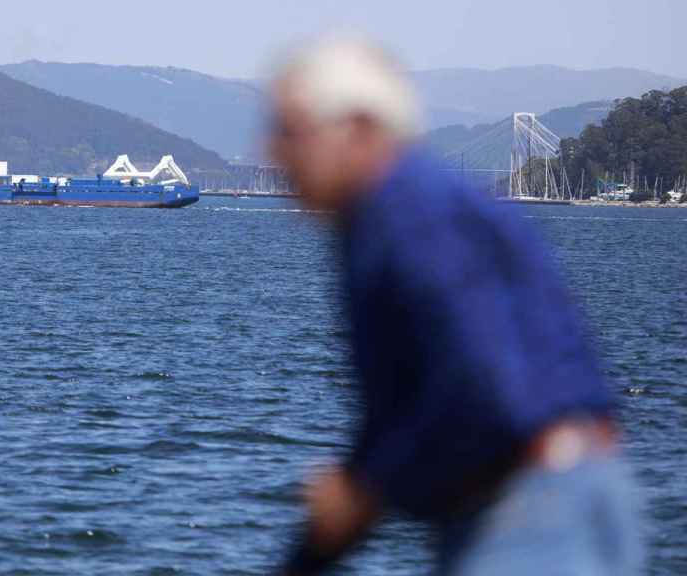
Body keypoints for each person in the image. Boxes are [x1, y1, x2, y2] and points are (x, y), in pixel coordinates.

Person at [267, 37, 642, 575]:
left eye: (290, 131)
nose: (274, 153)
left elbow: (481, 384)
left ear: (359, 128)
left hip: (531, 510)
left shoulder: (409, 217)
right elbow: (414, 401)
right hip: (542, 497)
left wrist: (366, 486)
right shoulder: (386, 220)